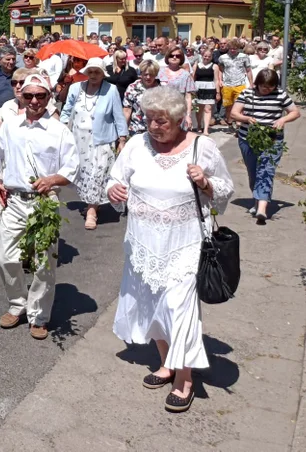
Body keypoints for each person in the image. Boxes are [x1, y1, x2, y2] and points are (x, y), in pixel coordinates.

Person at [108, 87, 234, 413]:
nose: (153, 126)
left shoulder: (201, 148)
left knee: (180, 309)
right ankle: (165, 363)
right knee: (151, 305)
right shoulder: (136, 145)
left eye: (161, 121)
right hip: (142, 243)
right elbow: (114, 178)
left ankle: (185, 379)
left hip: (186, 242)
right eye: (149, 119)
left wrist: (205, 182)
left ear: (180, 120)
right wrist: (115, 190)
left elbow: (225, 190)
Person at [0, 74, 78, 340]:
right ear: (20, 98)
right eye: (29, 96)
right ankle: (18, 303)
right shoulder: (11, 126)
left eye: (40, 96)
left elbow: (72, 168)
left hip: (43, 203)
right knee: (5, 256)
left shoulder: (59, 130)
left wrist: (52, 179)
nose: (35, 101)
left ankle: (38, 315)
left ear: (49, 98)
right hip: (14, 200)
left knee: (43, 262)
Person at [61, 57, 128, 230]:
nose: (93, 75)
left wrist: (122, 139)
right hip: (78, 141)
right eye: (90, 71)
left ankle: (92, 212)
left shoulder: (110, 90)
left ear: (102, 74)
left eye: (97, 72)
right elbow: (66, 110)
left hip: (102, 141)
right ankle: (92, 204)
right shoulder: (76, 88)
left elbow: (118, 115)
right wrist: (60, 130)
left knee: (96, 175)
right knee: (84, 176)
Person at [231, 68, 300, 224]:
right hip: (247, 139)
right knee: (253, 171)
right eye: (264, 87)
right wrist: (246, 118)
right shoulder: (247, 94)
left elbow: (295, 112)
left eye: (271, 87)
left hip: (272, 140)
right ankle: (258, 200)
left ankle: (262, 209)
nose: (267, 90)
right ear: (257, 84)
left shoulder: (281, 95)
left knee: (266, 171)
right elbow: (234, 113)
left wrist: (283, 120)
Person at [218, 39, 252, 130]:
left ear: (238, 48)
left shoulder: (244, 57)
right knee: (228, 106)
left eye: (235, 49)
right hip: (227, 85)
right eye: (231, 48)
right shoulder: (223, 58)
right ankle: (229, 123)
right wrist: (220, 80)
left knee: (240, 106)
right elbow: (220, 70)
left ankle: (238, 125)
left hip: (240, 84)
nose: (233, 50)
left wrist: (251, 83)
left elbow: (248, 71)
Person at [123, 60, 162, 136]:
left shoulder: (162, 88)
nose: (148, 77)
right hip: (136, 130)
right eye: (146, 74)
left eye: (151, 74)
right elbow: (127, 110)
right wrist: (123, 134)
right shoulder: (132, 87)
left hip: (157, 130)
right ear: (141, 73)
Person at [157, 47, 196, 118]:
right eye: (171, 55)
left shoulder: (186, 75)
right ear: (167, 57)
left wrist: (188, 116)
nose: (174, 57)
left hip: (179, 110)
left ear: (181, 58)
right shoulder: (159, 72)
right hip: (161, 110)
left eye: (177, 56)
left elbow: (188, 97)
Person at [193, 48, 220, 135]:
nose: (207, 58)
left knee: (208, 109)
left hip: (210, 88)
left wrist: (218, 92)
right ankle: (199, 125)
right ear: (202, 56)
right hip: (198, 88)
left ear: (211, 57)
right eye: (205, 56)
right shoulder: (196, 65)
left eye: (209, 56)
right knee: (198, 109)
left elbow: (216, 80)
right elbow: (193, 78)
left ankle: (206, 129)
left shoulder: (215, 66)